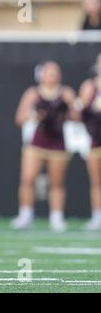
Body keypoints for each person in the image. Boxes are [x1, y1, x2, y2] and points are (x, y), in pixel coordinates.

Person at [11, 61, 77, 232]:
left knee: (56, 183)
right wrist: (34, 116)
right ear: (41, 75)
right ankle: (25, 214)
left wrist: (67, 110)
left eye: (55, 73)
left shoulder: (66, 93)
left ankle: (56, 217)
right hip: (36, 144)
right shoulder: (33, 93)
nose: (51, 76)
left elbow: (77, 117)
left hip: (58, 144)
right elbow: (19, 118)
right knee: (28, 179)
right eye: (48, 73)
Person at [79, 53, 101, 230]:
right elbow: (79, 113)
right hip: (96, 138)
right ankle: (97, 215)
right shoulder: (89, 86)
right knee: (96, 180)